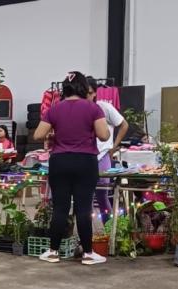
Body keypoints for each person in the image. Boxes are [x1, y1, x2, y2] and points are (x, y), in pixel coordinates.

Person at [33, 71, 111, 265]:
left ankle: (53, 252)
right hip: (85, 162)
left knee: (60, 208)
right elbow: (104, 135)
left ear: (64, 88)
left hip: (60, 161)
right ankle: (88, 254)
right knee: (84, 208)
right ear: (84, 87)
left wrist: (54, 134)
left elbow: (38, 135)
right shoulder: (93, 108)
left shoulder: (54, 109)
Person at [86, 77, 129, 222]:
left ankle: (109, 229)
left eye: (89, 93)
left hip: (102, 155)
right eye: (84, 93)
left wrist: (113, 146)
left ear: (95, 93)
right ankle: (87, 232)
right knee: (86, 198)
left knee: (102, 197)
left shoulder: (104, 107)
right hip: (85, 156)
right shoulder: (80, 110)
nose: (87, 96)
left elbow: (124, 125)